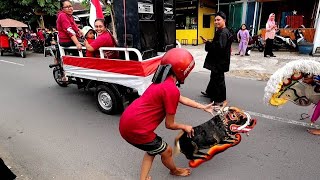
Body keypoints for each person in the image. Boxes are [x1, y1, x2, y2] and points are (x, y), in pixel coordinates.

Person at [119, 48, 216, 180]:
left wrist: (203, 107)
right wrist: (185, 127)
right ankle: (175, 171)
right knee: (167, 151)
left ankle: (143, 178)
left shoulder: (162, 82)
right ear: (183, 71)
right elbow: (169, 124)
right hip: (138, 129)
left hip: (127, 121)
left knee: (152, 150)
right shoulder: (171, 89)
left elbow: (181, 98)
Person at [200, 11, 233, 106]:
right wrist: (209, 42)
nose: (216, 22)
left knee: (218, 79)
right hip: (219, 60)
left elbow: (219, 48)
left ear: (224, 20)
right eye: (215, 20)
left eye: (218, 20)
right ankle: (209, 92)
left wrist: (208, 43)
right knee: (214, 77)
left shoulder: (223, 33)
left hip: (220, 61)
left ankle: (219, 99)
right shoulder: (221, 31)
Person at [56, 0, 83, 82]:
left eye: (70, 6)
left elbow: (74, 27)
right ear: (62, 8)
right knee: (82, 48)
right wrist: (78, 43)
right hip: (66, 40)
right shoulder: (63, 16)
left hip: (71, 38)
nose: (70, 8)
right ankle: (77, 71)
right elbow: (69, 30)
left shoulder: (70, 16)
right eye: (67, 7)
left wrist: (79, 31)